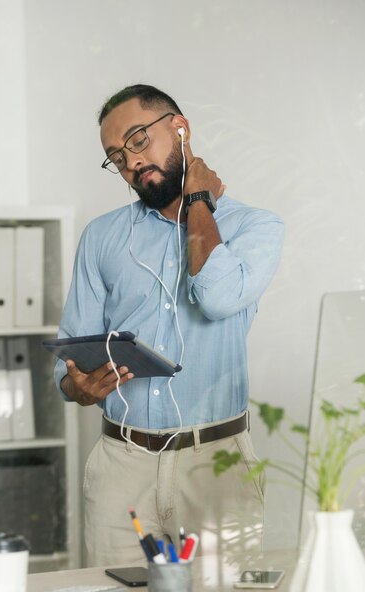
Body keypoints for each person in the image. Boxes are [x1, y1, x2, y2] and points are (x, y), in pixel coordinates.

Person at [54, 84, 284, 566]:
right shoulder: (100, 237)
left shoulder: (256, 228)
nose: (131, 163)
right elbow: (71, 358)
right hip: (121, 466)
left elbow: (217, 297)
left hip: (216, 465)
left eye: (138, 140)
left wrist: (198, 198)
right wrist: (78, 386)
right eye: (117, 157)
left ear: (180, 129)